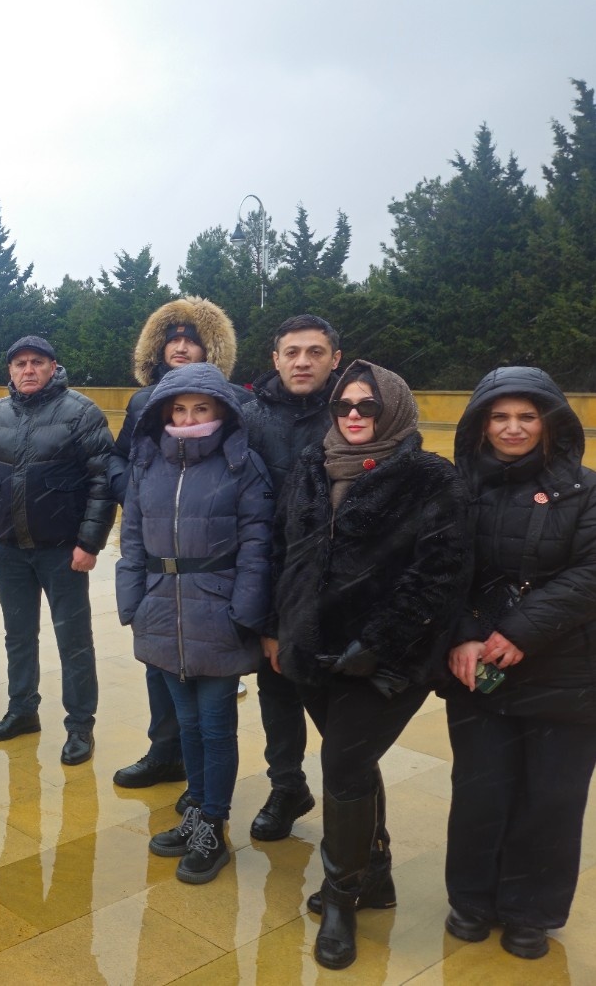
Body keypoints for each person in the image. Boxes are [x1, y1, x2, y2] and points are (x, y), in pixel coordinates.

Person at [270, 360, 470, 969]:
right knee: (352, 762)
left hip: (389, 659)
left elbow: (440, 574)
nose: (354, 415)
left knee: (342, 764)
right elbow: (287, 550)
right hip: (315, 649)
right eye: (345, 406)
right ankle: (376, 871)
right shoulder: (312, 464)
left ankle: (341, 896)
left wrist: (380, 643)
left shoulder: (430, 478)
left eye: (368, 406)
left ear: (394, 409)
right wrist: (280, 627)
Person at [441, 367, 596, 961]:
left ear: (548, 423)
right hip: (479, 667)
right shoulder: (456, 489)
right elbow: (442, 567)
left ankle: (531, 910)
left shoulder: (587, 490)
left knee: (553, 797)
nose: (513, 428)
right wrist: (462, 633)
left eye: (526, 416)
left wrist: (521, 630)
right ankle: (472, 899)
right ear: (482, 425)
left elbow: (590, 573)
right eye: (500, 417)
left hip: (568, 669)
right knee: (481, 791)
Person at [116, 363, 273, 883]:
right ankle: (197, 809)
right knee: (185, 724)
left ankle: (213, 825)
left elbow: (257, 545)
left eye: (200, 408)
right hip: (161, 610)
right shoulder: (146, 464)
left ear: (220, 410)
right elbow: (131, 537)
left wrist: (243, 613)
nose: (188, 418)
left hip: (218, 611)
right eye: (179, 409)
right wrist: (133, 603)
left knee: (215, 726)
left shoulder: (241, 464)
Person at [0, 334, 117, 766]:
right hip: (10, 551)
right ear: (10, 371)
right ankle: (22, 710)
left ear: (52, 366)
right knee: (18, 636)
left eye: (37, 362)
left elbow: (102, 481)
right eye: (20, 363)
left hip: (63, 552)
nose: (28, 370)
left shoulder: (80, 412)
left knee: (74, 641)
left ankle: (80, 725)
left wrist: (89, 543)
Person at [111, 297, 241, 795]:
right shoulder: (145, 403)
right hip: (159, 562)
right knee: (160, 670)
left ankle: (213, 791)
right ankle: (165, 754)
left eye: (191, 340)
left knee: (211, 700)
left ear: (211, 348)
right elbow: (120, 458)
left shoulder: (233, 401)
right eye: (173, 340)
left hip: (211, 570)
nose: (181, 347)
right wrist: (140, 493)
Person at [243, 315, 342, 842]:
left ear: (335, 359)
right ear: (275, 359)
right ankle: (287, 785)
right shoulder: (249, 417)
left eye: (315, 352)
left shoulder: (352, 413)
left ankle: (354, 809)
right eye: (292, 352)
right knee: (276, 688)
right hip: (270, 575)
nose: (303, 362)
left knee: (341, 709)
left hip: (337, 586)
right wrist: (265, 615)